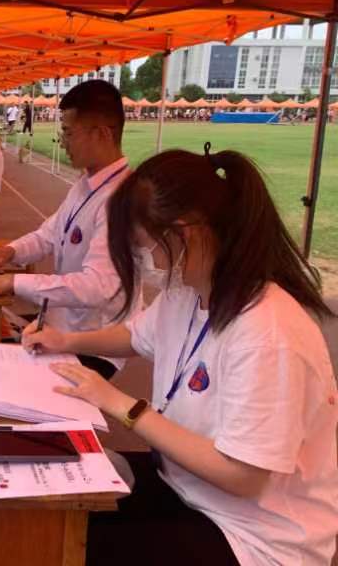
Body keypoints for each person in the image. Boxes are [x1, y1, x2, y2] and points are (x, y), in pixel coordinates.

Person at [22, 146, 338, 566]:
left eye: (145, 247)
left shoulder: (268, 332)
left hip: (254, 537)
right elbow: (136, 335)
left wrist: (120, 404)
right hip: (187, 487)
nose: (147, 261)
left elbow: (242, 475)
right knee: (54, 510)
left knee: (64, 545)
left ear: (183, 234)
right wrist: (65, 341)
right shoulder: (188, 292)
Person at [0, 80, 136, 379]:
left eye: (68, 132)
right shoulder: (86, 184)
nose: (62, 142)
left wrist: (12, 283)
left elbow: (97, 286)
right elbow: (48, 234)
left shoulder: (122, 200)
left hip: (93, 345)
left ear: (102, 134)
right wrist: (8, 252)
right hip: (61, 328)